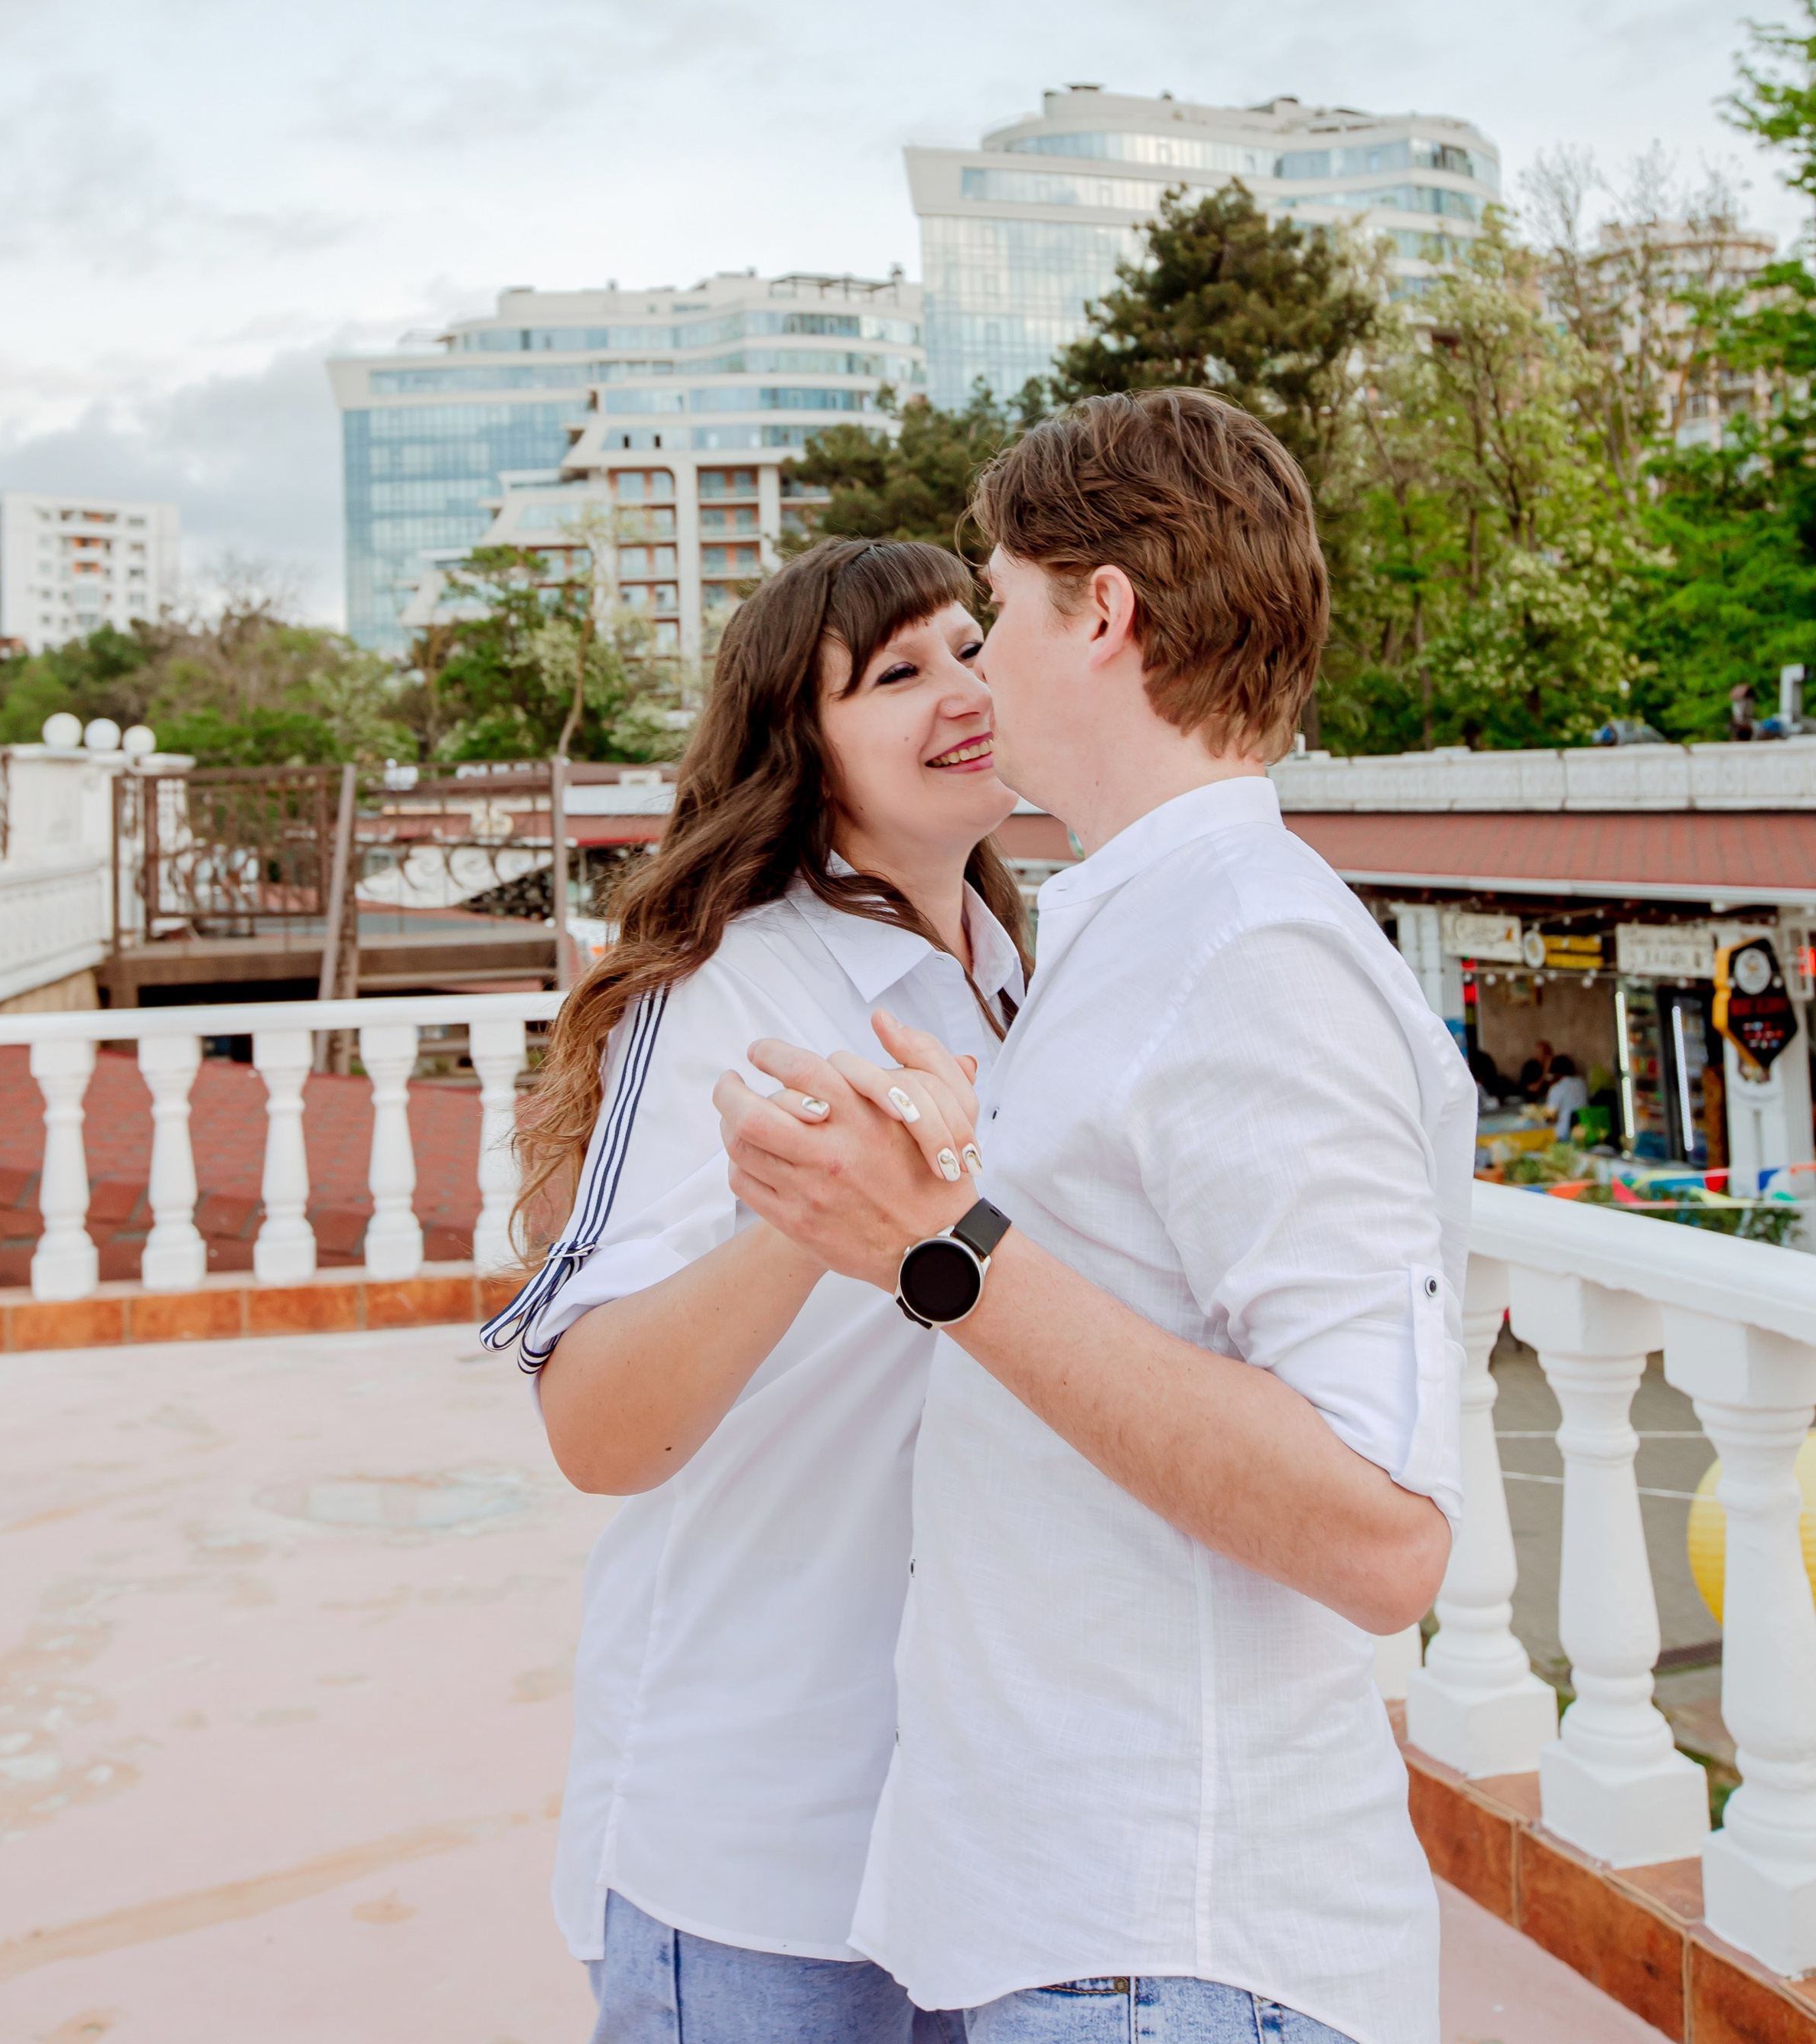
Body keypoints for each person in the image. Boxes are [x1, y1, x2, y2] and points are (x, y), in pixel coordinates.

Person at [718, 391, 1474, 2044]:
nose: (977, 662)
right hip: (1096, 1934)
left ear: (1104, 613)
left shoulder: (1247, 951)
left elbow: (1378, 1532)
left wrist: (938, 1249)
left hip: (1175, 1953)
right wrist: (956, 1191)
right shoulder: (1139, 928)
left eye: (996, 610)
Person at [485, 537, 1027, 2044]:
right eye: (898, 674)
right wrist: (813, 1213)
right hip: (755, 1848)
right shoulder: (717, 988)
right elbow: (595, 1429)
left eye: (972, 649)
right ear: (802, 749)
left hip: (980, 1834)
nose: (963, 690)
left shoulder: (1013, 983)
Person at [1545, 1053, 1590, 1142]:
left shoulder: (1557, 1088)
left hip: (1564, 1135)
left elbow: (1550, 1118)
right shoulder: (1581, 1084)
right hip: (1585, 1131)